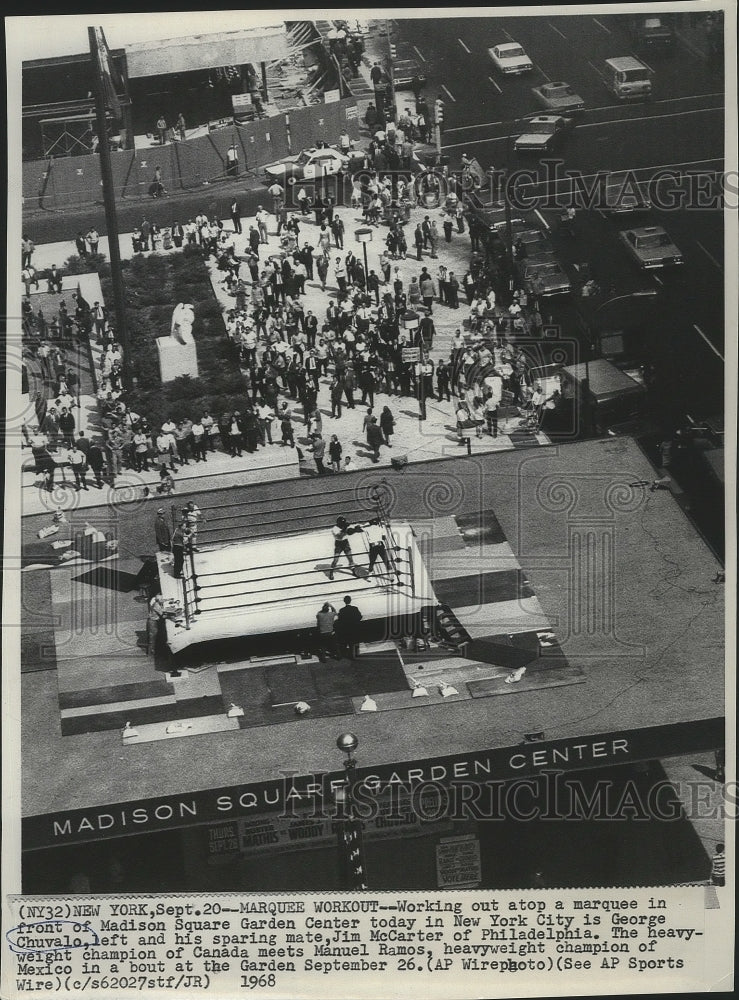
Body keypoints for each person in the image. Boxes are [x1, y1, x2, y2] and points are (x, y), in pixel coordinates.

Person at [335, 595, 363, 660]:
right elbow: (360, 617)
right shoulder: (355, 608)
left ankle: (350, 655)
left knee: (349, 641)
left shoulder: (342, 610)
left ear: (344, 601)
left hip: (346, 629)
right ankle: (355, 654)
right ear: (350, 600)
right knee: (354, 641)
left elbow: (340, 620)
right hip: (354, 628)